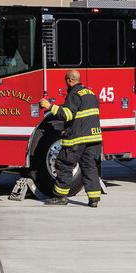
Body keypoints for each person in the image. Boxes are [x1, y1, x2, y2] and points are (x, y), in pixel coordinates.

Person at [40, 69, 103, 207]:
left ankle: (60, 197)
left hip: (78, 138)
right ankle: (94, 199)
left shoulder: (73, 94)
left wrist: (50, 106)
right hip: (94, 138)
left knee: (64, 164)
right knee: (90, 166)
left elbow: (67, 115)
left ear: (69, 80)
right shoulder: (90, 93)